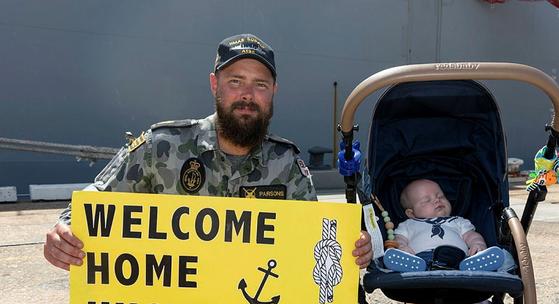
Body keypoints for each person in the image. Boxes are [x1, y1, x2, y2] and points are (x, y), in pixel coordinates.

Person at [43, 33, 372, 271]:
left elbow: (316, 243)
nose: (247, 95)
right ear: (215, 85)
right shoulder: (162, 147)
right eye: (235, 81)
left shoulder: (285, 165)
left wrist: (353, 248)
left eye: (260, 84)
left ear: (273, 92)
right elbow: (92, 202)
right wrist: (65, 231)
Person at [383, 179, 504, 272]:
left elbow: (471, 236)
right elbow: (399, 239)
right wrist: (403, 247)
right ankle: (410, 265)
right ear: (411, 213)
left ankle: (475, 264)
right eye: (426, 200)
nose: (437, 200)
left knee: (467, 258)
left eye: (441, 196)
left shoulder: (457, 221)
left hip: (458, 257)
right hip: (420, 258)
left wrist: (478, 244)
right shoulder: (409, 224)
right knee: (415, 260)